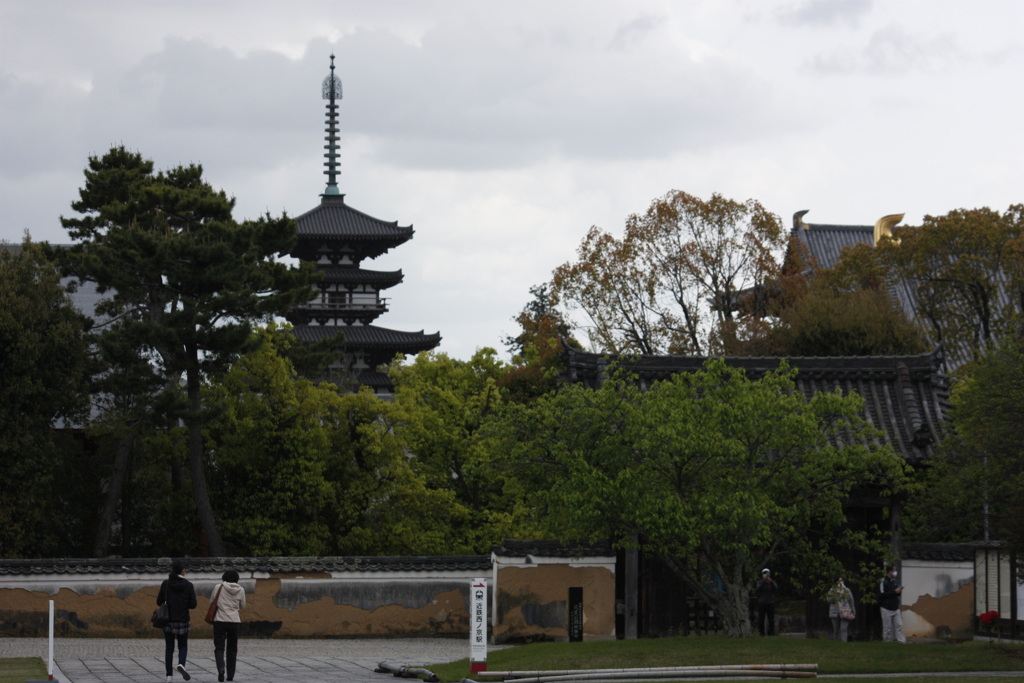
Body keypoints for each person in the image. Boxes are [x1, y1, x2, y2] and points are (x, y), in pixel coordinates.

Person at [157, 560, 198, 682]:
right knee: (183, 646)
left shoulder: (166, 584)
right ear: (183, 571)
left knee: (169, 648)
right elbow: (193, 604)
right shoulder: (188, 585)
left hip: (168, 620)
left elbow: (159, 601)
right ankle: (181, 664)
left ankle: (169, 675)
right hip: (183, 619)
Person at [212, 569, 246, 682]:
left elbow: (212, 601)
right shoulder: (241, 590)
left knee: (219, 647)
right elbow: (242, 606)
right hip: (234, 621)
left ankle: (221, 669)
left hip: (220, 620)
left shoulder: (218, 587)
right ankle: (230, 675)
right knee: (232, 649)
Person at [879, 564, 906, 643]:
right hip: (886, 608)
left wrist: (899, 592)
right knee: (887, 629)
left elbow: (896, 593)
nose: (895, 572)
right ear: (890, 571)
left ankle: (902, 642)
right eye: (894, 570)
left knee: (899, 626)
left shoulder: (894, 581)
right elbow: (882, 594)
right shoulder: (883, 581)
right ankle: (887, 642)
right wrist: (894, 592)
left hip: (895, 607)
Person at [827, 576, 855, 641]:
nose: (840, 582)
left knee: (843, 629)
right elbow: (829, 600)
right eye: (839, 581)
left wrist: (853, 611)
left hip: (845, 611)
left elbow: (851, 601)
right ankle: (837, 643)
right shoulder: (832, 590)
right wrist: (836, 594)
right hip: (835, 612)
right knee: (836, 630)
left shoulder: (847, 590)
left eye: (842, 580)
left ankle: (844, 643)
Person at [756, 568, 777, 636]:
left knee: (771, 619)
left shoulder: (772, 582)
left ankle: (771, 632)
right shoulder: (760, 582)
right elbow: (758, 588)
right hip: (762, 602)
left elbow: (776, 589)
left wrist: (770, 582)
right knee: (761, 618)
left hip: (770, 602)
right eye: (764, 574)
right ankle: (761, 632)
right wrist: (763, 581)